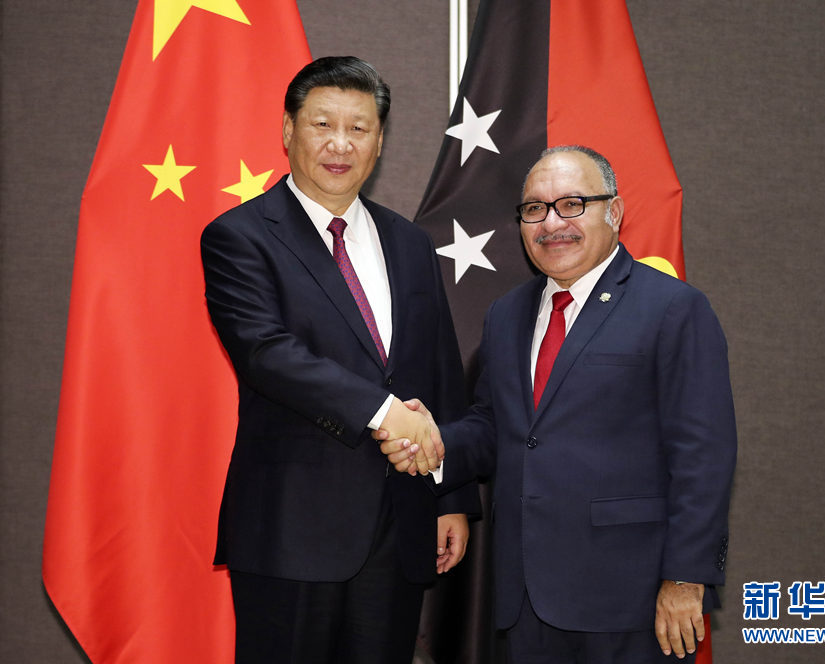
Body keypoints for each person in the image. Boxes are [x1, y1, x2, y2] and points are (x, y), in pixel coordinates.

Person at [377, 146, 737, 662]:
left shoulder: (674, 308)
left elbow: (704, 454)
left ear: (614, 212)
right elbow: (493, 426)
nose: (552, 223)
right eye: (534, 209)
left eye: (572, 204)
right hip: (525, 597)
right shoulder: (507, 315)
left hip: (631, 598)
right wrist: (431, 442)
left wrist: (685, 578)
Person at [200, 56, 478, 664]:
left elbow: (438, 369)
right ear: (288, 130)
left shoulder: (410, 242)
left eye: (359, 128)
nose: (340, 144)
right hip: (292, 529)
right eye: (322, 124)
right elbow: (266, 353)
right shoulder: (239, 236)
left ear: (379, 142)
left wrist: (450, 494)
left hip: (401, 523)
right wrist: (383, 412)